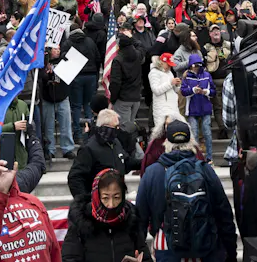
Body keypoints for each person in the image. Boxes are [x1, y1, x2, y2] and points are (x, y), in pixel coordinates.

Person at [136, 120, 236, 262]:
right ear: (191, 141)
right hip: (205, 248)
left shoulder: (152, 172)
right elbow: (224, 214)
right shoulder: (205, 170)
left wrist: (143, 253)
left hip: (167, 249)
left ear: (166, 142)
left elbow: (140, 218)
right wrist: (230, 252)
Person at [62, 167, 151, 262]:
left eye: (116, 197)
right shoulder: (81, 222)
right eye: (105, 198)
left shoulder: (131, 219)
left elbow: (145, 256)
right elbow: (70, 258)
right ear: (97, 196)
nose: (111, 205)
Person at [68, 109, 131, 200]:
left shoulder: (115, 142)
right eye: (116, 126)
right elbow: (75, 177)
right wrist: (85, 202)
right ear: (106, 126)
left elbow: (126, 161)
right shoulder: (89, 148)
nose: (118, 129)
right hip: (98, 201)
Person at [107, 28, 143, 144]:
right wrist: (132, 38)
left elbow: (115, 82)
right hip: (136, 98)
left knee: (124, 132)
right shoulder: (138, 55)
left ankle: (130, 155)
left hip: (123, 99)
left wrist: (113, 98)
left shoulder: (118, 59)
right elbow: (142, 47)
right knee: (131, 127)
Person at [41, 45, 76, 162]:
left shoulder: (64, 61)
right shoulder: (43, 62)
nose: (58, 51)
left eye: (59, 49)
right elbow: (41, 77)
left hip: (62, 96)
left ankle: (67, 148)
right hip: (47, 97)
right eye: (55, 49)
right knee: (48, 126)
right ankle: (50, 149)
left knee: (65, 124)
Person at [180, 58, 215, 160]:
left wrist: (206, 92)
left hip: (205, 108)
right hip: (192, 109)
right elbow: (183, 91)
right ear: (190, 65)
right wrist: (193, 90)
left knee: (207, 133)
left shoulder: (207, 75)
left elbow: (213, 91)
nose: (197, 67)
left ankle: (209, 158)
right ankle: (195, 158)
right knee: (194, 135)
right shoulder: (186, 77)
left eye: (198, 65)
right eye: (195, 65)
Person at [148, 53, 183, 130]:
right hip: (161, 107)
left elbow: (175, 90)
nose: (170, 67)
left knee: (174, 131)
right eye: (168, 64)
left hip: (173, 106)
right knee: (162, 132)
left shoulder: (169, 72)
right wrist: (171, 83)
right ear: (162, 62)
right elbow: (156, 90)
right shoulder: (154, 72)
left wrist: (177, 85)